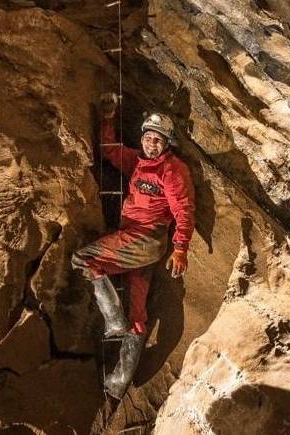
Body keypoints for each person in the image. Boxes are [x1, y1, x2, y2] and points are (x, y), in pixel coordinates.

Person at [71, 93, 195, 397]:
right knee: (138, 316)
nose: (152, 144)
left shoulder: (173, 170)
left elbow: (184, 210)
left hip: (145, 238)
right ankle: (118, 382)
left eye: (157, 140)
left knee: (84, 260)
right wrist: (107, 118)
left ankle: (114, 321)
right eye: (148, 138)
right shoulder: (138, 162)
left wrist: (180, 248)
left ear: (167, 143)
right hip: (138, 245)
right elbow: (110, 151)